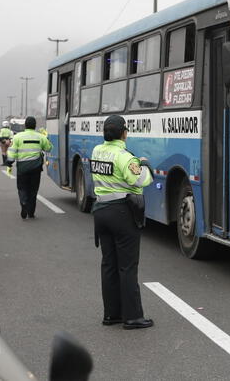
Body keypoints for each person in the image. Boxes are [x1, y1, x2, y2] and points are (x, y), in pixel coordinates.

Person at [91, 115, 154, 330]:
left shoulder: (97, 151)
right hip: (122, 213)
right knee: (127, 266)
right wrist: (145, 165)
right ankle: (133, 317)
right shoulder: (124, 156)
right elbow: (140, 181)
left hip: (101, 212)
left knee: (109, 265)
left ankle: (112, 314)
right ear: (123, 133)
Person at [6, 116, 52, 219]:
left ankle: (23, 203)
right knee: (33, 190)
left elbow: (12, 151)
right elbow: (49, 148)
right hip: (36, 168)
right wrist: (47, 138)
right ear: (35, 126)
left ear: (25, 125)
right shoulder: (40, 137)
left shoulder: (17, 137)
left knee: (22, 188)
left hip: (22, 167)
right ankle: (31, 212)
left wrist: (9, 162)